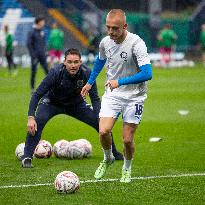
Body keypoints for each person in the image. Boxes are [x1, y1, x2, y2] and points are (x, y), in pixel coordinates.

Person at [81, 9, 152, 183]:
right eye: (108, 28)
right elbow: (99, 61)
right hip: (112, 95)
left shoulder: (137, 43)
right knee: (103, 130)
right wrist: (90, 82)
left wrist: (119, 82)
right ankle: (108, 158)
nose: (111, 32)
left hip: (135, 96)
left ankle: (126, 168)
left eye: (115, 28)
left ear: (124, 26)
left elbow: (147, 73)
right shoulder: (105, 42)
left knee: (127, 140)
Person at [21, 48, 123, 168]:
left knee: (101, 124)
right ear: (64, 62)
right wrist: (30, 117)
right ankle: (27, 157)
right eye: (70, 62)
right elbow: (37, 94)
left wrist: (100, 118)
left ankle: (114, 153)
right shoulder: (55, 72)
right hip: (52, 102)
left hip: (76, 105)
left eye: (76, 62)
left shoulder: (87, 73)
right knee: (38, 121)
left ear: (80, 62)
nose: (73, 65)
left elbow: (95, 98)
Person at [27, 16, 48, 92]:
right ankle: (32, 88)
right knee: (33, 72)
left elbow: (43, 44)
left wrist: (45, 52)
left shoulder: (42, 32)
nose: (43, 23)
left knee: (47, 71)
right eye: (42, 21)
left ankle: (51, 87)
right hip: (35, 56)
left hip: (42, 55)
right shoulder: (32, 32)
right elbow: (29, 44)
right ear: (38, 22)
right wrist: (33, 55)